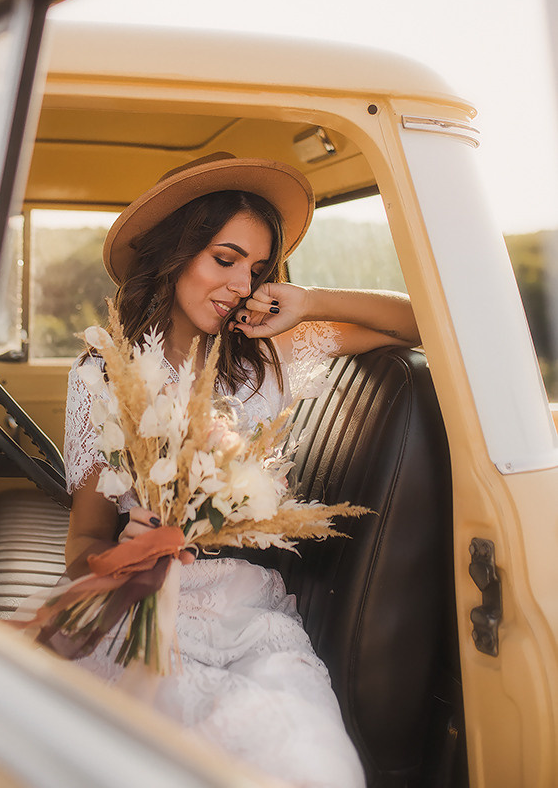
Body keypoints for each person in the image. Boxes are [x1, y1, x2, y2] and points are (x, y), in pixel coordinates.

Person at [63, 153, 419, 788]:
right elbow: (80, 550)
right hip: (137, 609)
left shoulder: (267, 361)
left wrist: (308, 300)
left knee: (305, 763)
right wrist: (125, 552)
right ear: (178, 253)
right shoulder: (102, 375)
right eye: (223, 260)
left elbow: (423, 324)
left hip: (248, 615)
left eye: (255, 269)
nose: (238, 285)